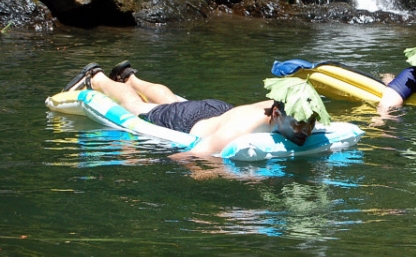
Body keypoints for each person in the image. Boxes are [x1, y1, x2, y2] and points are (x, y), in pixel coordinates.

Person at [63, 61, 330, 158]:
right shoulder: (239, 131)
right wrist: (234, 174)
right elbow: (190, 157)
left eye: (310, 124)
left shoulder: (291, 105)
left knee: (170, 100)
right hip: (191, 123)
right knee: (137, 107)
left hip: (218, 109)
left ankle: (129, 78)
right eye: (298, 124)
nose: (305, 130)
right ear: (276, 115)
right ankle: (95, 77)